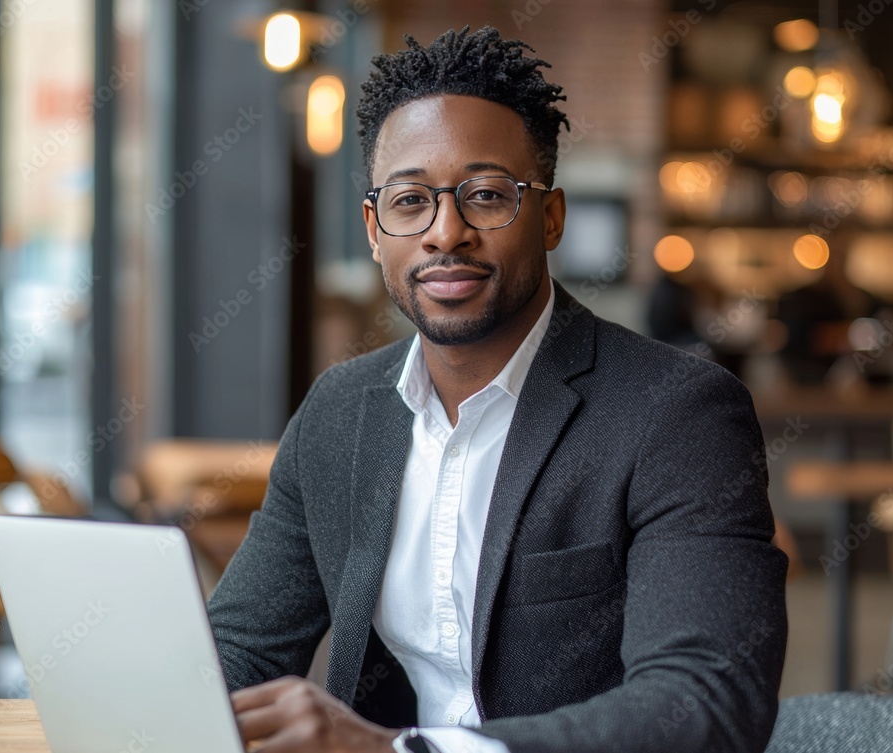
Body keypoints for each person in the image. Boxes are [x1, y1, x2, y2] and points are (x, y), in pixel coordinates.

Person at [207, 26, 787, 753]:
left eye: (485, 195)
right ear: (374, 226)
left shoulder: (677, 414)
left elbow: (706, 699)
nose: (445, 232)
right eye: (411, 201)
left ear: (550, 218)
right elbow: (240, 650)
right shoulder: (339, 411)